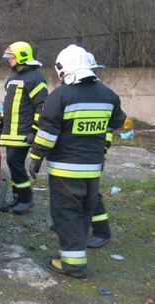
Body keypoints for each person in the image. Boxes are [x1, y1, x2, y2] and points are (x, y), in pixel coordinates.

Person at [28, 44, 126, 278]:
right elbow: (112, 126)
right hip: (92, 169)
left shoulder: (61, 96)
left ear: (64, 69)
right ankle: (76, 254)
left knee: (66, 214)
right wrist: (100, 149)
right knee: (84, 211)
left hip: (65, 170)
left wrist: (34, 158)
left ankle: (72, 264)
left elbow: (47, 133)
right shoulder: (109, 95)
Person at [0, 41, 48, 214]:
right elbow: (7, 106)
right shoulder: (12, 79)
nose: (9, 60)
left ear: (22, 57)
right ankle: (18, 198)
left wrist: (34, 130)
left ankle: (26, 199)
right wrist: (0, 126)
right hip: (10, 132)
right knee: (12, 163)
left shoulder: (35, 78)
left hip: (23, 132)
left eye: (12, 56)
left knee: (14, 162)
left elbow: (42, 107)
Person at [85, 52, 113, 248]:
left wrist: (102, 148)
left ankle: (102, 231)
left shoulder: (101, 94)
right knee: (77, 192)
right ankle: (76, 225)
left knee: (91, 193)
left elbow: (108, 128)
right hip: (78, 153)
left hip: (91, 153)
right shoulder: (76, 91)